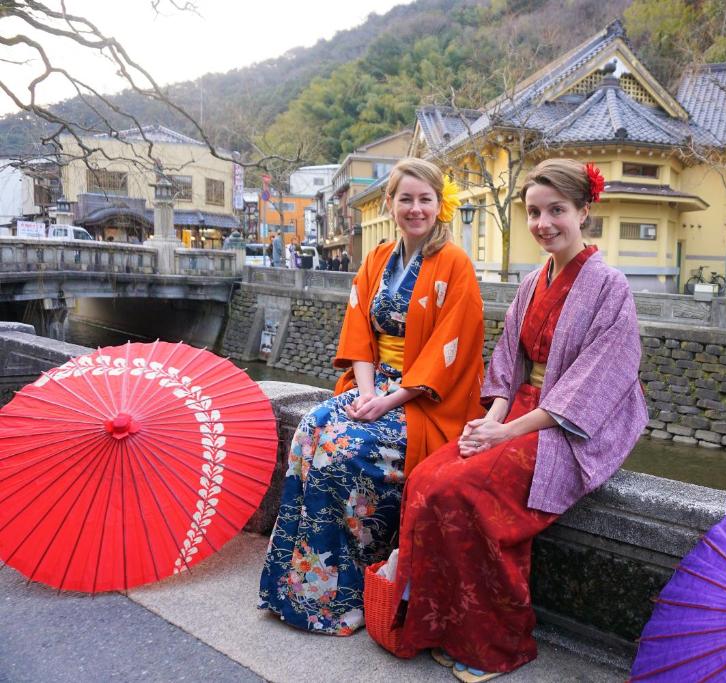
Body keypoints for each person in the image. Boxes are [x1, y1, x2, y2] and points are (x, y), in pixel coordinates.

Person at [391, 159, 647, 680]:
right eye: (534, 212)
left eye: (557, 210)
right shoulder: (533, 282)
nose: (544, 223)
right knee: (426, 479)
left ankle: (495, 645)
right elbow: (508, 363)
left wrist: (504, 433)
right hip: (523, 411)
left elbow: (595, 383)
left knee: (467, 491)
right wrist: (493, 422)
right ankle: (441, 624)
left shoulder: (610, 285)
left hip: (571, 425)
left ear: (583, 212)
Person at [259, 158, 486, 637]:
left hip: (424, 397)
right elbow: (359, 328)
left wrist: (387, 401)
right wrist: (366, 395)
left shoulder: (455, 264)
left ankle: (350, 589)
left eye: (426, 199)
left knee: (342, 452)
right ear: (391, 203)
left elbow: (454, 348)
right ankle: (296, 588)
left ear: (439, 205)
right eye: (406, 198)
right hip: (375, 382)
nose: (416, 208)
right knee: (308, 434)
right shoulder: (377, 258)